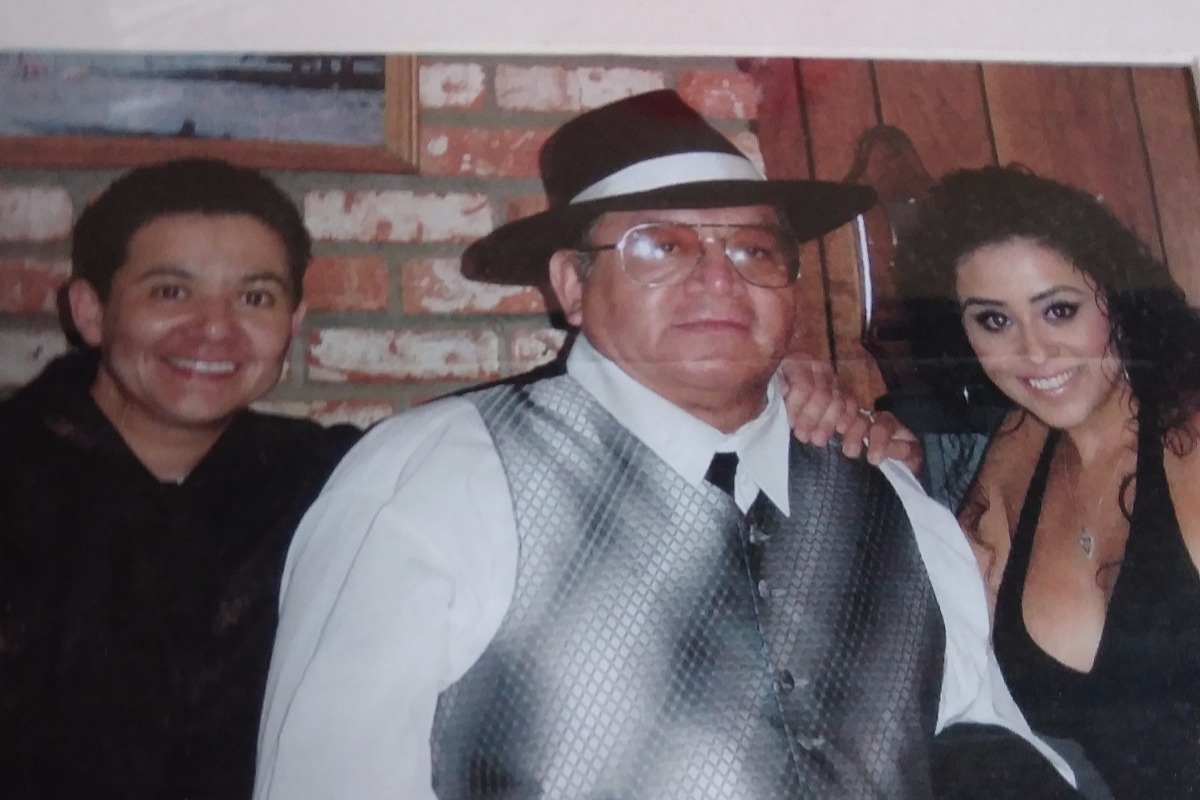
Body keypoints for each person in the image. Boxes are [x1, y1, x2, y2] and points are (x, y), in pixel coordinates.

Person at [254, 90, 1076, 800]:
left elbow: (986, 744)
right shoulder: (435, 480)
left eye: (753, 249)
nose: (719, 279)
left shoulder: (887, 496)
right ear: (573, 284)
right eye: (661, 246)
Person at [0, 158, 362, 800]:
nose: (215, 328)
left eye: (255, 298)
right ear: (90, 311)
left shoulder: (330, 481)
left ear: (293, 323)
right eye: (171, 292)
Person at [893, 164, 1200, 798]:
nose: (1033, 352)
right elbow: (944, 662)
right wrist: (883, 463)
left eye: (1059, 310)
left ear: (1119, 296)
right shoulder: (1018, 446)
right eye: (994, 321)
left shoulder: (1189, 437)